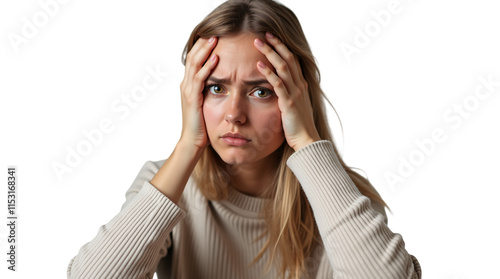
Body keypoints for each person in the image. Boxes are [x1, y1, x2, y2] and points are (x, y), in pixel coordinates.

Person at [67, 0, 422, 278]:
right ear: (193, 95)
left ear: (296, 97)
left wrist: (307, 140)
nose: (234, 114)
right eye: (216, 88)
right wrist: (187, 146)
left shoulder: (339, 197)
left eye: (261, 91)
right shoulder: (167, 186)